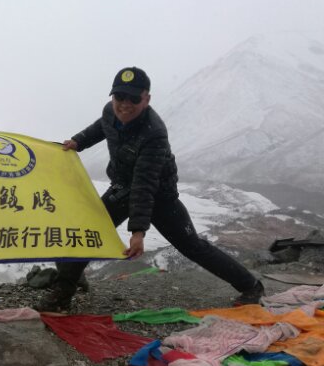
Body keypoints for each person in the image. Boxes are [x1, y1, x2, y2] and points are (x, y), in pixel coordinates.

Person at [36, 66, 264, 312]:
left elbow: (145, 185)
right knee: (83, 232)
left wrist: (137, 232)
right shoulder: (110, 111)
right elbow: (101, 127)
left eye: (133, 98)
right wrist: (78, 141)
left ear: (146, 99)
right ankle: (66, 289)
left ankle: (251, 285)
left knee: (193, 247)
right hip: (122, 188)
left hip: (159, 198)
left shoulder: (154, 133)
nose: (125, 104)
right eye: (119, 97)